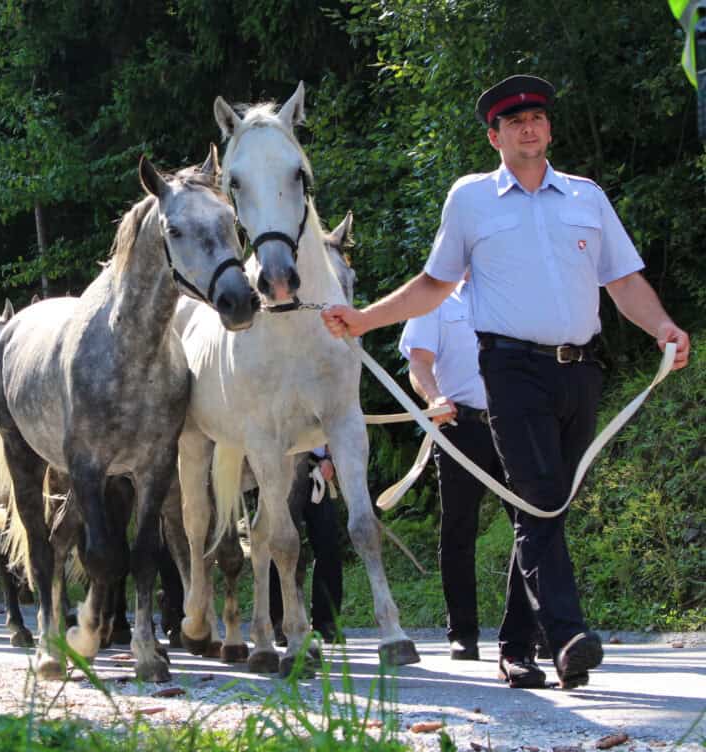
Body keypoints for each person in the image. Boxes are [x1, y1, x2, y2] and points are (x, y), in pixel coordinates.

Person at [320, 75, 690, 690]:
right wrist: (364, 319)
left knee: (549, 508)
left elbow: (622, 280)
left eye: (537, 117)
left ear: (549, 128)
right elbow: (434, 285)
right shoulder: (470, 200)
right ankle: (567, 634)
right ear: (494, 136)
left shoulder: (587, 198)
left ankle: (518, 647)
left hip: (581, 371)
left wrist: (664, 327)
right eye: (514, 120)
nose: (529, 127)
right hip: (511, 371)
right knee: (539, 498)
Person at [399, 272, 515, 661]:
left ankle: (532, 627)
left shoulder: (511, 291)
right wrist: (434, 397)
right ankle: (463, 632)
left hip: (515, 425)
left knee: (533, 528)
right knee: (459, 529)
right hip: (459, 426)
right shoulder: (434, 301)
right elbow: (419, 362)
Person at [269, 446, 344, 644]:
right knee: (283, 547)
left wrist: (329, 458)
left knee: (328, 544)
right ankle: (281, 620)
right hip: (283, 469)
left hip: (315, 472)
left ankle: (326, 622)